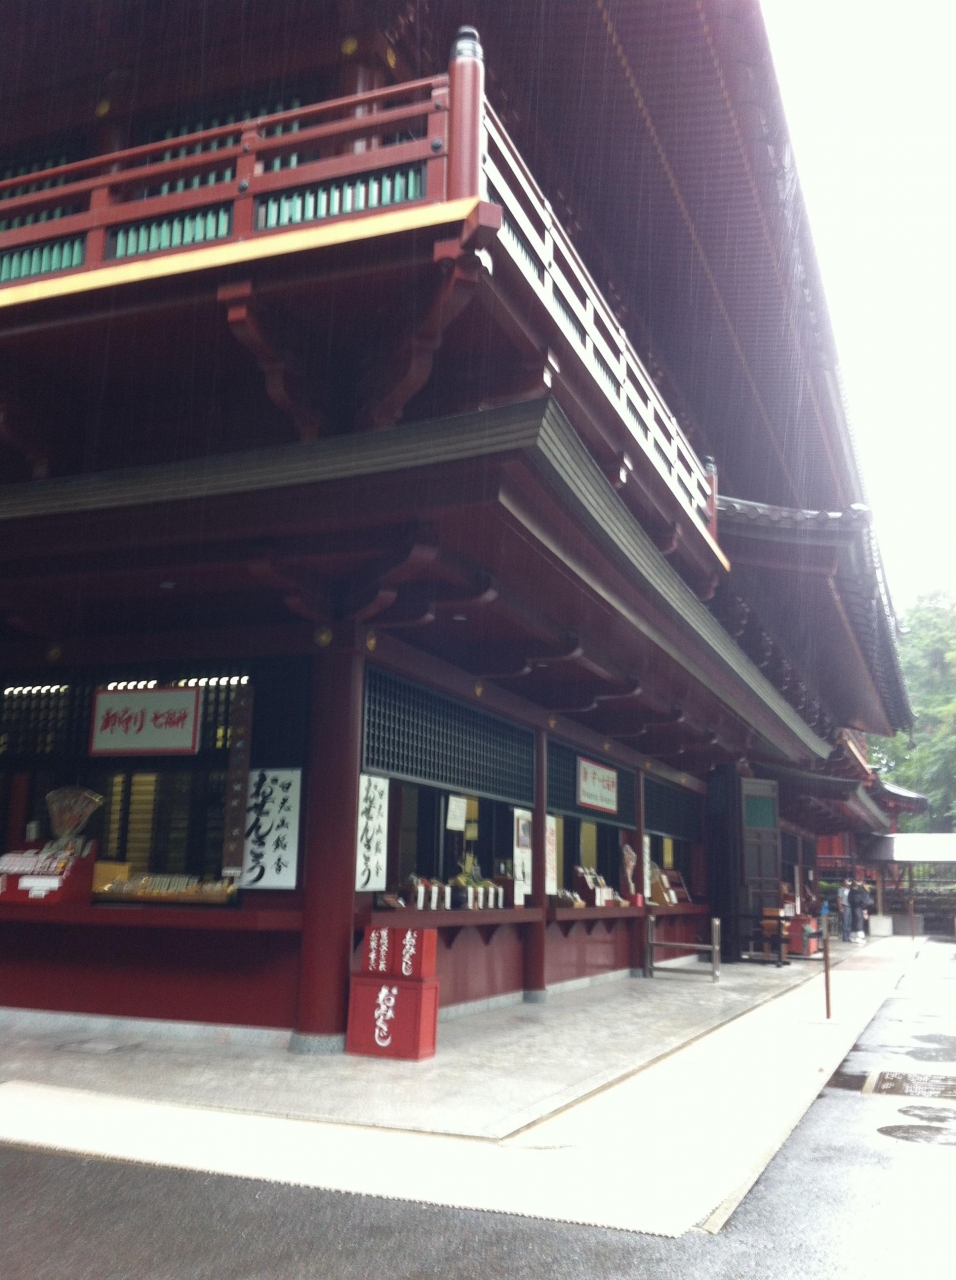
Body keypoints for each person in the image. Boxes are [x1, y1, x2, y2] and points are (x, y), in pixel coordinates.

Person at [847, 878, 873, 943]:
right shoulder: (859, 891)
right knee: (858, 922)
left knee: (855, 922)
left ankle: (853, 937)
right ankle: (858, 937)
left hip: (854, 908)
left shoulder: (852, 891)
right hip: (858, 908)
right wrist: (865, 911)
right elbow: (865, 901)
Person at [838, 877, 852, 942]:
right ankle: (845, 938)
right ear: (843, 882)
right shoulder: (841, 890)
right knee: (845, 923)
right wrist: (840, 908)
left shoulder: (850, 890)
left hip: (850, 907)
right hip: (845, 906)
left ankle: (848, 937)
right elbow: (839, 899)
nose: (848, 883)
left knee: (849, 922)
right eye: (846, 881)